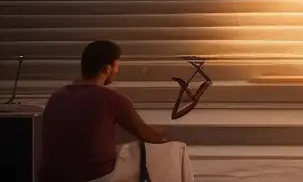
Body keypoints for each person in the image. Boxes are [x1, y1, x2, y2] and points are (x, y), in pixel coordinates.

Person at [38, 40, 194, 182]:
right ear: (107, 68)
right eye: (116, 64)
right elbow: (147, 135)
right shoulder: (112, 98)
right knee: (175, 150)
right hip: (95, 176)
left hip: (51, 176)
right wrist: (168, 135)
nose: (117, 69)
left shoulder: (57, 96)